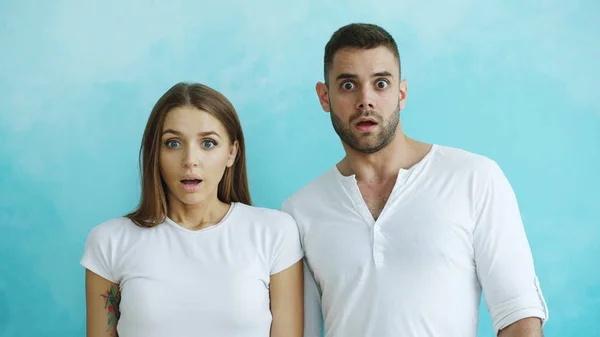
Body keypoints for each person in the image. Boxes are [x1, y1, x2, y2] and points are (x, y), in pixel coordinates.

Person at [281, 23, 548, 337]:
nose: (365, 100)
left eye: (380, 83)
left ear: (401, 93)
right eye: (348, 85)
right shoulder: (299, 212)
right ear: (324, 97)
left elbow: (519, 319)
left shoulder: (474, 178)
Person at [81, 82, 304, 337]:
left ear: (232, 152)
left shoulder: (274, 232)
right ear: (156, 152)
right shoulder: (109, 241)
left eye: (208, 143)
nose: (189, 160)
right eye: (173, 143)